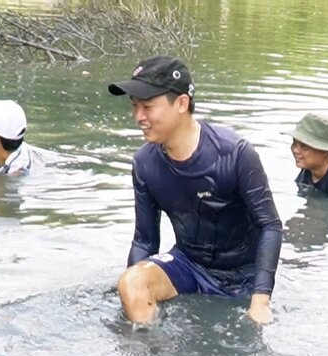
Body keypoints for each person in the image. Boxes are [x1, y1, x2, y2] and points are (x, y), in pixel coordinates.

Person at [108, 55, 283, 325]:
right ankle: (148, 351)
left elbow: (270, 225)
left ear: (181, 103)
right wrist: (128, 297)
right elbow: (144, 240)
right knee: (131, 284)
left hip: (244, 277)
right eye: (135, 107)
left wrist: (260, 300)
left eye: (148, 107)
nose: (138, 117)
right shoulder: (145, 163)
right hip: (188, 266)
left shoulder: (234, 154)